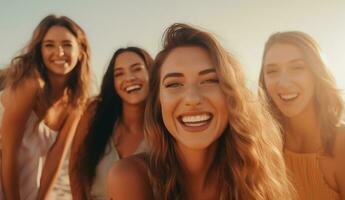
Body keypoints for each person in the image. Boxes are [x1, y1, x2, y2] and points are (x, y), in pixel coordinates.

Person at [108, 23, 294, 200]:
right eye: (174, 84)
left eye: (209, 80)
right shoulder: (131, 176)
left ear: (233, 95)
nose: (192, 98)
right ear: (158, 102)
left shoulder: (258, 174)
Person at [0, 15, 91, 199]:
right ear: (39, 50)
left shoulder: (76, 101)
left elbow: (55, 161)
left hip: (28, 179)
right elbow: (9, 152)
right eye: (49, 45)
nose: (59, 52)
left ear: (80, 50)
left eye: (67, 44)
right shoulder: (30, 84)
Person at [259, 31, 345, 200]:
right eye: (272, 71)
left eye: (297, 68)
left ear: (317, 74)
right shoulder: (260, 145)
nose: (283, 82)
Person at [69, 47, 153, 199]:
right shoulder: (95, 114)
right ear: (113, 83)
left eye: (137, 69)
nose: (129, 78)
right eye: (119, 73)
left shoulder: (166, 126)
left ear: (151, 73)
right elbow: (75, 169)